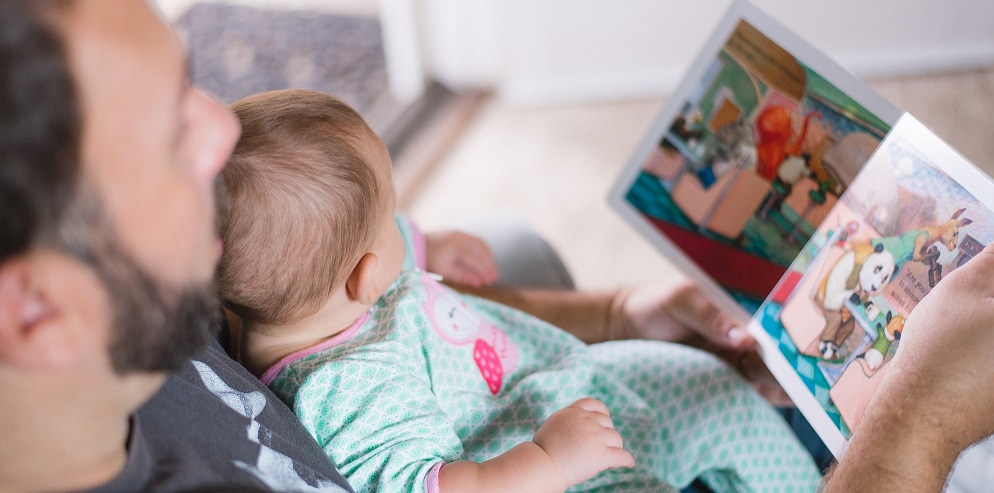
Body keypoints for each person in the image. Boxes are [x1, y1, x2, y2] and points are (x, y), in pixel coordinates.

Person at [0, 1, 990, 491]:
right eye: (169, 134)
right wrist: (921, 420)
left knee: (509, 242)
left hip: (539, 390)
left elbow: (381, 306)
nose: (221, 130)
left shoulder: (162, 288)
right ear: (35, 311)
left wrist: (609, 312)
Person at [216, 89, 822, 492]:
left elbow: (364, 243)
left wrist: (426, 243)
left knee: (712, 386)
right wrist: (550, 460)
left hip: (563, 381)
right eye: (393, 213)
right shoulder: (347, 390)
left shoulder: (308, 293)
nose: (403, 222)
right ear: (365, 276)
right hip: (546, 466)